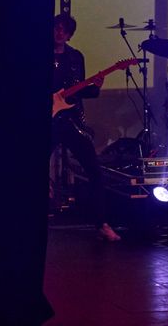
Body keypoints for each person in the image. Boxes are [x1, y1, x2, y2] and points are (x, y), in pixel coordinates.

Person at [50, 14, 121, 242]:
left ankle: (101, 223)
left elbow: (77, 91)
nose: (59, 33)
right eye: (56, 29)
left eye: (64, 30)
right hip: (48, 121)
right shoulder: (38, 54)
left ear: (70, 34)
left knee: (94, 170)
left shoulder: (75, 57)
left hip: (71, 121)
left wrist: (95, 88)